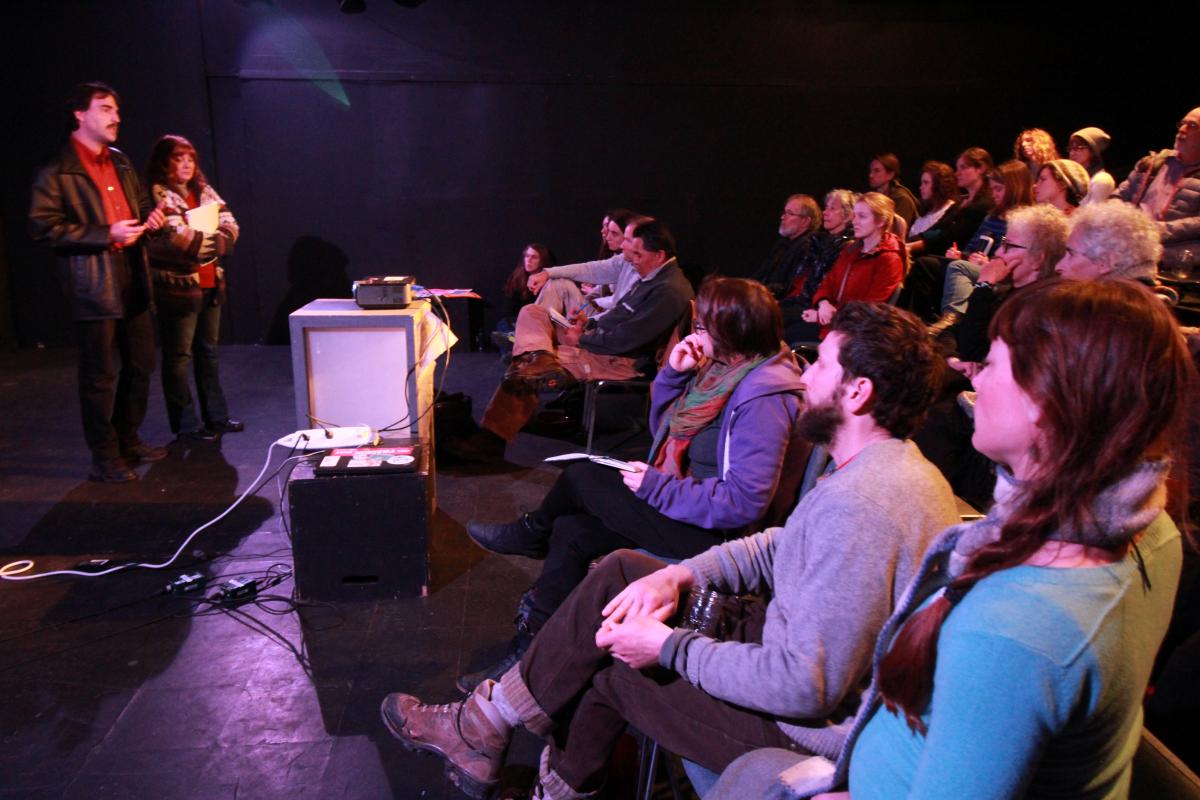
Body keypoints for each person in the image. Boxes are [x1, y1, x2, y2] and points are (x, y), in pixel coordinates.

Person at [381, 301, 958, 800]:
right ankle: (485, 727)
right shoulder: (881, 470)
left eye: (823, 366)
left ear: (858, 391)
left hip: (802, 731)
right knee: (626, 570)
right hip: (781, 646)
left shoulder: (864, 504)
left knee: (604, 667)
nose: (806, 377)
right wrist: (680, 576)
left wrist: (670, 646)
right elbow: (782, 546)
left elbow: (803, 687)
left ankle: (505, 750)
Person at [708, 279, 1192, 800]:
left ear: (1047, 401)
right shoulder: (1156, 531)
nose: (975, 378)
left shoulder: (1011, 631)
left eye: (994, 363)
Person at [459, 277, 808, 691]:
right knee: (573, 531)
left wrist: (658, 489)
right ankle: (531, 650)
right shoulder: (723, 372)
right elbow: (663, 431)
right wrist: (675, 378)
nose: (696, 334)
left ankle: (533, 531)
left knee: (583, 476)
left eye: (702, 327)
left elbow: (743, 503)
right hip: (688, 505)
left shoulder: (762, 398)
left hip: (717, 537)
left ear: (730, 333)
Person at [449, 218, 693, 462]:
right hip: (602, 344)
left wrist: (582, 340)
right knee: (532, 313)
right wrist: (589, 323)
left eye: (637, 253)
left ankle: (492, 440)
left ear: (659, 255)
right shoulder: (654, 278)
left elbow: (628, 341)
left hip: (619, 361)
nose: (631, 258)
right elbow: (621, 314)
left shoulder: (668, 290)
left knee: (525, 367)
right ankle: (540, 356)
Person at [28, 82, 167, 483]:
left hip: (132, 275)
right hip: (93, 283)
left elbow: (139, 210)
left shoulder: (121, 161)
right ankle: (104, 457)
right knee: (99, 376)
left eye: (116, 110)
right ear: (80, 114)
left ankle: (128, 438)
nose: (116, 117)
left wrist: (151, 221)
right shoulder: (57, 167)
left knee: (140, 365)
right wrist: (106, 234)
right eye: (105, 108)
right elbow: (43, 227)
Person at [144, 134, 242, 441]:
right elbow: (177, 239)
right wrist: (208, 243)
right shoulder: (158, 193)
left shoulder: (204, 190)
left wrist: (210, 242)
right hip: (180, 288)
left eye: (190, 159)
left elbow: (231, 226)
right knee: (179, 356)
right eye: (179, 158)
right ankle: (186, 424)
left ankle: (216, 417)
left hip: (211, 282)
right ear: (165, 162)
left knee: (208, 352)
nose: (186, 164)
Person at [927, 160, 1034, 333]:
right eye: (992, 189)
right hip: (977, 264)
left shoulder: (1024, 221)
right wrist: (959, 254)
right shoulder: (991, 217)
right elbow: (972, 247)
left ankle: (951, 319)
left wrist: (988, 261)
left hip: (1000, 272)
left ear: (1015, 189)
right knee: (931, 263)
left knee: (957, 267)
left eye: (999, 189)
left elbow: (1013, 257)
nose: (994, 195)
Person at [795, 193, 906, 340]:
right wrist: (823, 305)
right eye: (854, 216)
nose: (855, 222)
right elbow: (828, 282)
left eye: (862, 216)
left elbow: (871, 310)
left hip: (853, 333)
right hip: (831, 322)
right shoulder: (851, 250)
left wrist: (828, 316)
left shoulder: (889, 260)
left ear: (881, 221)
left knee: (786, 334)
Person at [1116, 106, 1200, 277]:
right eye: (1182, 124)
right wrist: (1118, 219)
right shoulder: (1153, 163)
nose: (1182, 130)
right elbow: (1118, 195)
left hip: (1171, 266)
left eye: (1192, 126)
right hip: (1127, 254)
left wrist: (1156, 230)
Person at [530, 209, 637, 319]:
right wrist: (547, 273)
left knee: (560, 285)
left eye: (613, 233)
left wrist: (587, 320)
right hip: (598, 316)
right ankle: (534, 328)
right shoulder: (621, 260)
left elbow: (617, 309)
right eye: (607, 229)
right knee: (558, 283)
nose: (606, 235)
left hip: (605, 323)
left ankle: (533, 329)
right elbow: (589, 269)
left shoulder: (640, 273)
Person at [1056, 200, 1163, 283]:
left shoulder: (1107, 307)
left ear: (1105, 262)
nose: (1059, 266)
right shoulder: (1136, 299)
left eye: (1071, 254)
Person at [752, 194, 822, 299]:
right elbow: (761, 274)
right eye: (784, 212)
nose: (783, 217)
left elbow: (790, 286)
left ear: (805, 221)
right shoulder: (782, 244)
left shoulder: (809, 246)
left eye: (790, 213)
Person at [1067, 126, 1115, 206]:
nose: (1072, 153)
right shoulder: (1072, 181)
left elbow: (1092, 215)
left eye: (1078, 148)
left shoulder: (1101, 179)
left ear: (1093, 151)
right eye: (1070, 148)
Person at [908, 161, 957, 239]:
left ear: (939, 185)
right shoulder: (926, 210)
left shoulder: (950, 210)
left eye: (926, 183)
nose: (921, 187)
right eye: (921, 183)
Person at [867, 153, 919, 227]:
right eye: (871, 171)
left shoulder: (901, 199)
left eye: (877, 171)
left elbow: (896, 231)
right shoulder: (874, 197)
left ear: (890, 175)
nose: (871, 175)